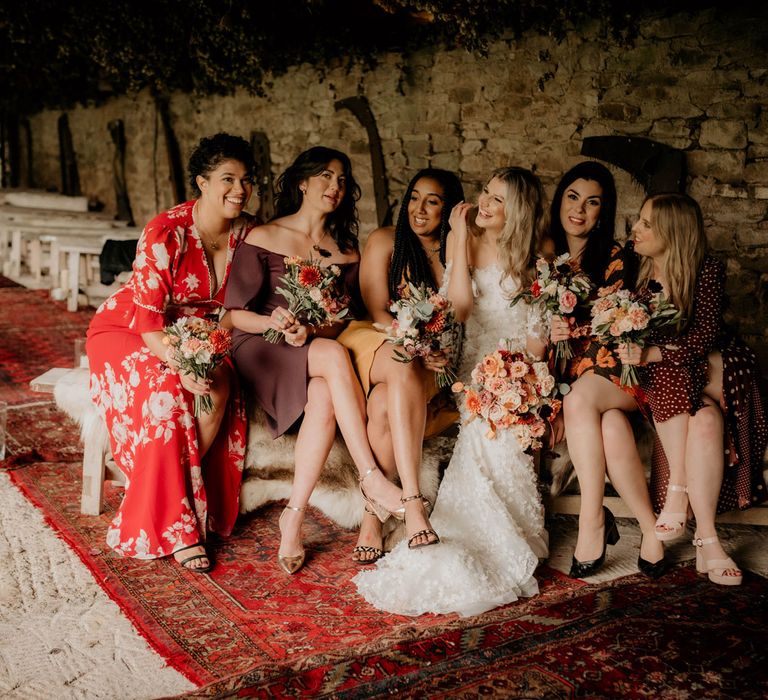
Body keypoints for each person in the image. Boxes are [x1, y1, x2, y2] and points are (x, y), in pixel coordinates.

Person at [354, 166, 551, 617]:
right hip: (475, 373)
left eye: (497, 199)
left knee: (505, 426)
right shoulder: (465, 241)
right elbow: (459, 310)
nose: (484, 202)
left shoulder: (538, 254)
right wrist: (460, 237)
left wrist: (527, 378)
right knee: (486, 425)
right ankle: (458, 530)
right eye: (485, 192)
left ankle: (506, 533)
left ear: (516, 210)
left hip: (522, 372)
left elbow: (539, 335)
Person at [224, 146, 404, 575]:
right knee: (332, 355)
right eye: (325, 176)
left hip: (311, 350)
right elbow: (232, 314)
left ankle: (294, 515)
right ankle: (371, 478)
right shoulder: (264, 236)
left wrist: (313, 330)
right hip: (259, 346)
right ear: (302, 182)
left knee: (324, 388)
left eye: (342, 180)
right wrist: (276, 321)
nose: (335, 186)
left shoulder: (344, 249)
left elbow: (344, 320)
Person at [86, 132, 256, 572]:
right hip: (131, 329)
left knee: (216, 388)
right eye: (227, 178)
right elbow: (147, 321)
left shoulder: (250, 233)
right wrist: (179, 365)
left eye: (246, 179)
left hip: (201, 337)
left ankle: (166, 494)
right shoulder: (167, 231)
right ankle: (178, 525)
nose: (239, 189)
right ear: (201, 182)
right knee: (165, 395)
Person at [620, 193, 767, 586]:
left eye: (647, 223)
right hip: (680, 385)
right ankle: (708, 541)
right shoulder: (634, 270)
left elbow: (702, 337)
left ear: (674, 231)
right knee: (703, 421)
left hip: (712, 369)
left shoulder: (706, 270)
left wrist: (653, 354)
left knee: (673, 374)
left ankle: (679, 495)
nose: (636, 228)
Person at [546, 161, 668, 580]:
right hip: (581, 389)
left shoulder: (615, 257)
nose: (579, 210)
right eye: (573, 197)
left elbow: (607, 330)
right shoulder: (541, 257)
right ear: (559, 200)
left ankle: (590, 519)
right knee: (611, 427)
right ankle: (652, 531)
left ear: (604, 212)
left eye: (592, 202)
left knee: (582, 398)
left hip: (615, 374)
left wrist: (568, 385)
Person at [336, 168, 465, 563]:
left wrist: (431, 354)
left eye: (433, 201)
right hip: (378, 342)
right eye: (414, 197)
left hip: (430, 360)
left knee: (382, 406)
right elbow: (377, 313)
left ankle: (371, 517)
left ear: (448, 209)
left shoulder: (457, 250)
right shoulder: (386, 241)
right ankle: (412, 503)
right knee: (401, 362)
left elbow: (460, 311)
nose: (419, 209)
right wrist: (417, 346)